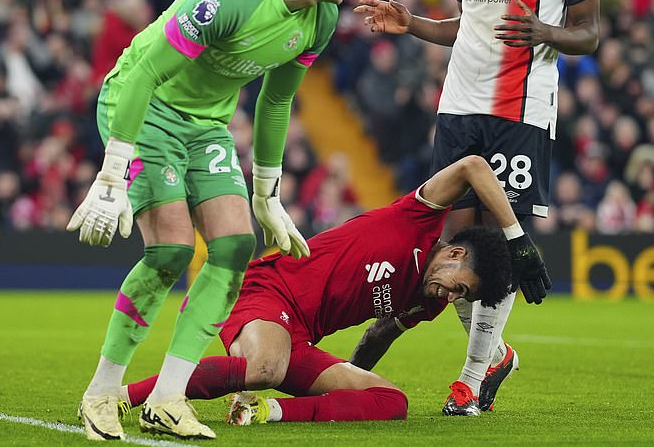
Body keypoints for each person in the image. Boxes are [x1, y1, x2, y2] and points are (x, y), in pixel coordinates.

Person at [68, 0, 372, 441]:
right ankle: (100, 393)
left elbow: (275, 104)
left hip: (207, 124)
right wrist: (113, 171)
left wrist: (267, 195)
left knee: (234, 247)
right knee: (171, 252)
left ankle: (167, 399)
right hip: (145, 107)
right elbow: (143, 72)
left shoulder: (320, 18)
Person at [354, 0, 600, 416]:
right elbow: (468, 25)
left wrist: (544, 30)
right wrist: (410, 23)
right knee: (450, 245)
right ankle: (494, 355)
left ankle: (468, 379)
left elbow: (588, 33)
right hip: (459, 104)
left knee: (496, 244)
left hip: (522, 108)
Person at [120, 154, 519, 424]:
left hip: (300, 338)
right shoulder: (415, 219)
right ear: (454, 254)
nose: (453, 298)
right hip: (266, 291)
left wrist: (346, 382)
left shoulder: (427, 302)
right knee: (264, 368)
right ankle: (125, 396)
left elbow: (379, 333)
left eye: (462, 298)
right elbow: (472, 166)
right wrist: (518, 238)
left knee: (391, 402)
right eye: (459, 287)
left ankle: (265, 412)